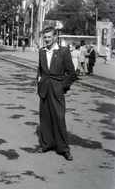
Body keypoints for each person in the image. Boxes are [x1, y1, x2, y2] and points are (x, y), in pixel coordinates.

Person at [37, 27, 76, 161]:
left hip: (56, 88)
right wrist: (39, 80)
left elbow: (72, 74)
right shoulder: (41, 52)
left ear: (55, 37)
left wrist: (61, 87)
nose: (47, 39)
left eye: (49, 37)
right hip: (44, 89)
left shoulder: (63, 51)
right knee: (45, 117)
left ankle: (63, 149)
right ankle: (46, 144)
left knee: (59, 117)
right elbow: (40, 69)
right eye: (45, 37)